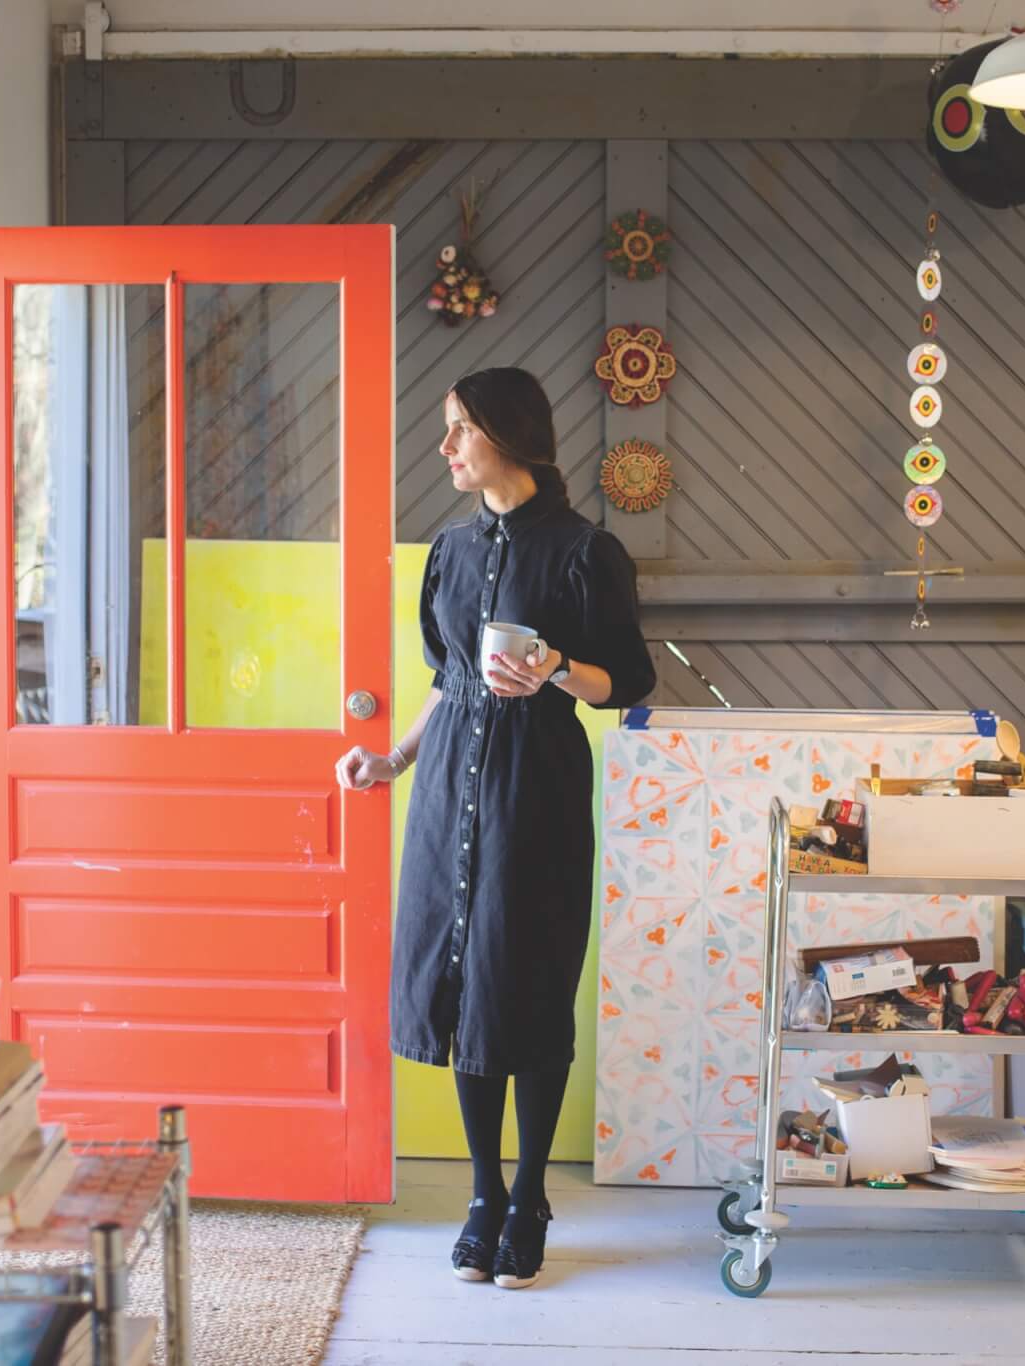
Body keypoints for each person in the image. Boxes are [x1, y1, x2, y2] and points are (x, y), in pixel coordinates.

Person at [335, 367, 655, 1290]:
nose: (446, 448)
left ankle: (530, 1195)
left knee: (530, 985)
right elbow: (450, 681)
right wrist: (393, 761)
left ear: (509, 436)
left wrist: (556, 666)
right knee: (463, 987)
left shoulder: (586, 551)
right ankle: (484, 1196)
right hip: (448, 791)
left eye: (460, 430)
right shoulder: (450, 549)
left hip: (536, 791)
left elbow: (627, 681)